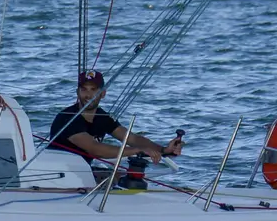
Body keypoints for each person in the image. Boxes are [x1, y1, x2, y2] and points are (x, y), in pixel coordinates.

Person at [46, 70, 184, 164]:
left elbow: (132, 138)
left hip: (80, 173)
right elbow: (95, 149)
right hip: (54, 173)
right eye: (84, 89)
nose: (88, 95)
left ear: (103, 93)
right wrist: (137, 151)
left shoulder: (102, 117)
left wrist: (164, 150)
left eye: (93, 90)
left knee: (120, 176)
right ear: (77, 92)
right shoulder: (68, 117)